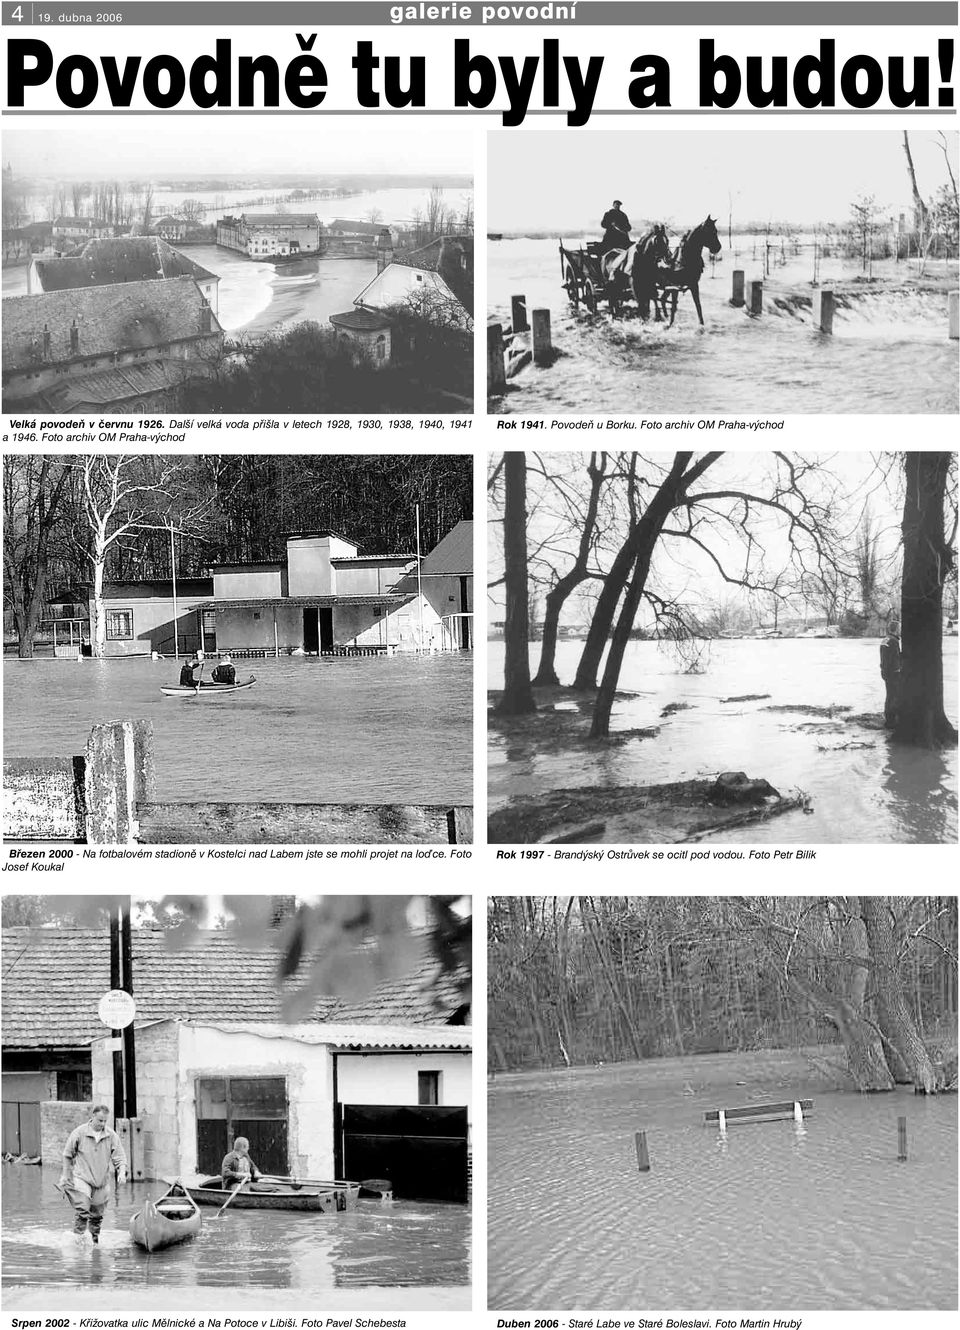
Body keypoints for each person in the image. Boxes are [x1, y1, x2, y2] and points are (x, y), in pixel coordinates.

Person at [59, 1104, 127, 1244]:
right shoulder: (79, 1133)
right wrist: (66, 1175)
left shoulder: (111, 1135)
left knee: (97, 1214)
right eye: (100, 1120)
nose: (102, 1124)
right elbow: (67, 1154)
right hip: (82, 1178)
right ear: (93, 1117)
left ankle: (94, 1241)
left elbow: (120, 1157)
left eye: (105, 1121)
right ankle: (78, 1238)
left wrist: (122, 1172)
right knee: (83, 1208)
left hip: (101, 1181)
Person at [880, 618, 901, 728]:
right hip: (893, 672)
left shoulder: (885, 640)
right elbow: (895, 657)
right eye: (900, 628)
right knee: (894, 696)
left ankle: (889, 718)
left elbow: (885, 658)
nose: (900, 630)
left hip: (885, 672)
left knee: (889, 695)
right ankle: (892, 720)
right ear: (896, 629)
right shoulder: (894, 641)